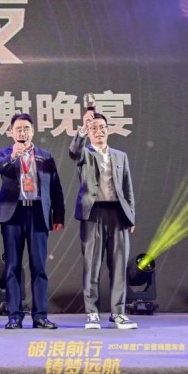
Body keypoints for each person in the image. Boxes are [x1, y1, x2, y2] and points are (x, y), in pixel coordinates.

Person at [0, 113, 64, 330]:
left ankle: (40, 316)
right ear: (11, 132)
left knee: (39, 266)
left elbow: (55, 187)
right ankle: (14, 316)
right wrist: (14, 155)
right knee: (12, 266)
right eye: (18, 129)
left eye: (26, 129)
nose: (22, 133)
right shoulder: (4, 153)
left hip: (38, 214)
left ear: (33, 132)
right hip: (13, 215)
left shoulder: (45, 156)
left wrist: (58, 215)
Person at [70, 110, 137, 330]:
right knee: (92, 265)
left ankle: (118, 313)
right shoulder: (84, 153)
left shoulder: (120, 156)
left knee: (119, 264)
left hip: (117, 213)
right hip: (93, 213)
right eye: (94, 128)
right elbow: (74, 151)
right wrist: (82, 128)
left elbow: (127, 188)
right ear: (89, 132)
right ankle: (92, 313)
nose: (98, 131)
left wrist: (131, 215)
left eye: (102, 128)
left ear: (108, 130)